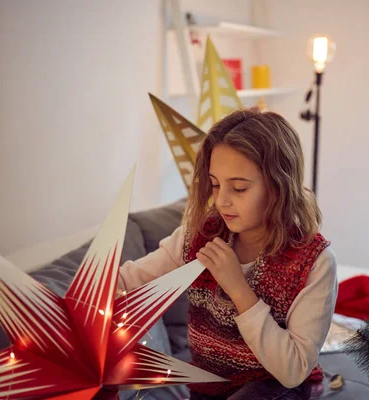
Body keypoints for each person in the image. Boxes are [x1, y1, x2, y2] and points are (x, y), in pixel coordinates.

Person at [119, 107, 338, 399]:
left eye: (238, 188)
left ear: (279, 186)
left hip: (277, 389)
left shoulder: (314, 263)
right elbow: (130, 280)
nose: (221, 201)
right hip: (207, 390)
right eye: (215, 184)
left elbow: (292, 370)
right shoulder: (197, 237)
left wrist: (237, 287)